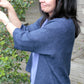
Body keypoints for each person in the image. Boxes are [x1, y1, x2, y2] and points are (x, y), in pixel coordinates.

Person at [0, 0, 80, 84]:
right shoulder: (47, 19)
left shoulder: (61, 25)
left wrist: (6, 21)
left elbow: (24, 39)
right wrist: (9, 8)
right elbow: (24, 30)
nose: (41, 0)